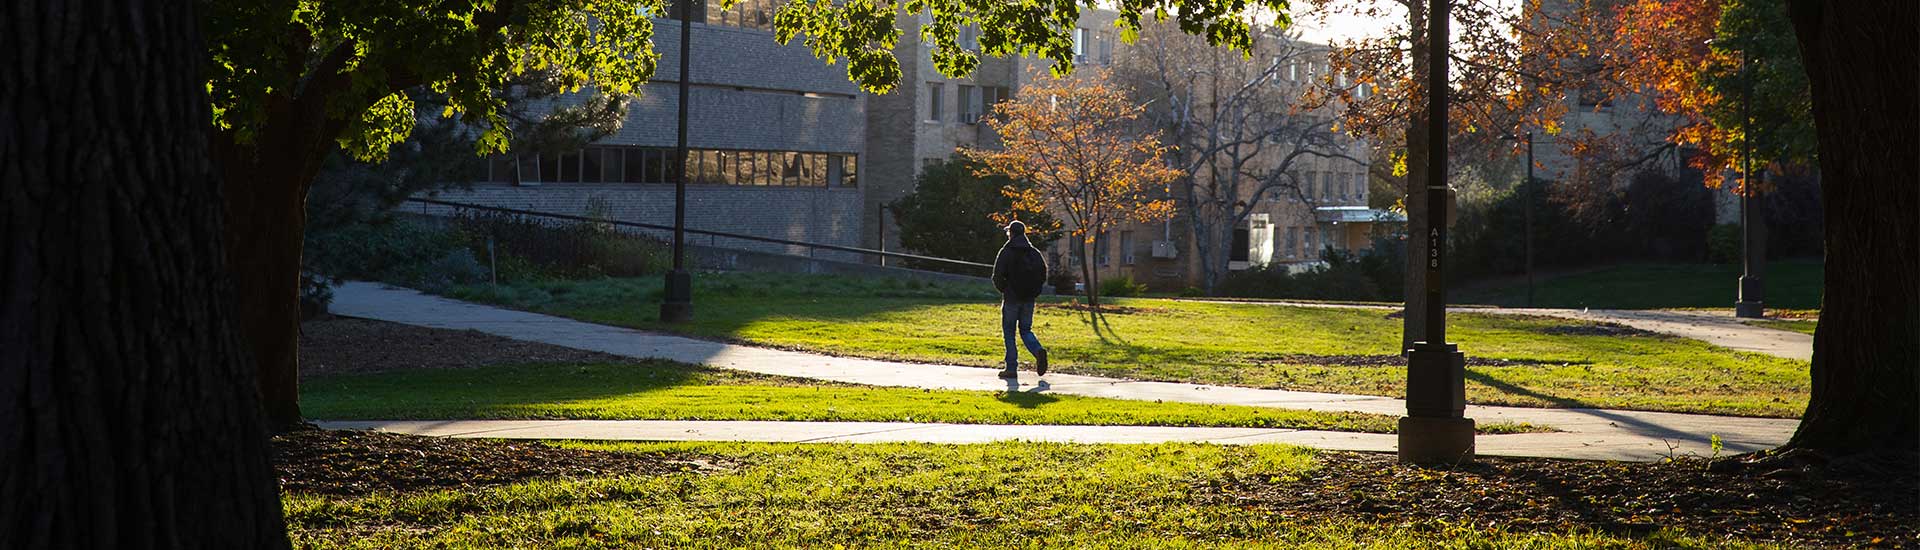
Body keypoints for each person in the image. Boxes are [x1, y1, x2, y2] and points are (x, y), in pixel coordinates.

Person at [992, 220, 1049, 379]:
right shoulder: (1034, 253)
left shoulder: (1006, 251)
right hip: (1029, 299)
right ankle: (1037, 351)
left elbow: (997, 275)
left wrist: (1005, 289)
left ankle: (1011, 368)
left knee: (1009, 332)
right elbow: (1043, 274)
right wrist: (1035, 291)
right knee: (1026, 330)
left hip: (1011, 298)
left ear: (1011, 233)